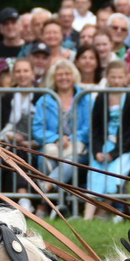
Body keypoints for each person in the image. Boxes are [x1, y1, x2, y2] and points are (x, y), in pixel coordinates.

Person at [81, 57, 130, 217]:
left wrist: (114, 153)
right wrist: (97, 150)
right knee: (95, 174)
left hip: (122, 149)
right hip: (103, 145)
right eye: (113, 77)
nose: (116, 81)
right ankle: (87, 217)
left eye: (120, 77)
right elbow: (95, 127)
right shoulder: (101, 97)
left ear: (125, 77)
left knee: (114, 176)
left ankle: (100, 215)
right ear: (107, 77)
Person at [32, 58, 88, 187]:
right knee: (45, 161)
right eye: (60, 75)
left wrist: (70, 139)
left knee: (71, 162)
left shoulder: (84, 98)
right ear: (54, 78)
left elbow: (88, 128)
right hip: (53, 147)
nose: (64, 78)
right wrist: (57, 139)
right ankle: (51, 204)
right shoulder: (44, 100)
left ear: (74, 76)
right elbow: (38, 129)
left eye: (67, 74)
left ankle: (47, 187)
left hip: (78, 148)